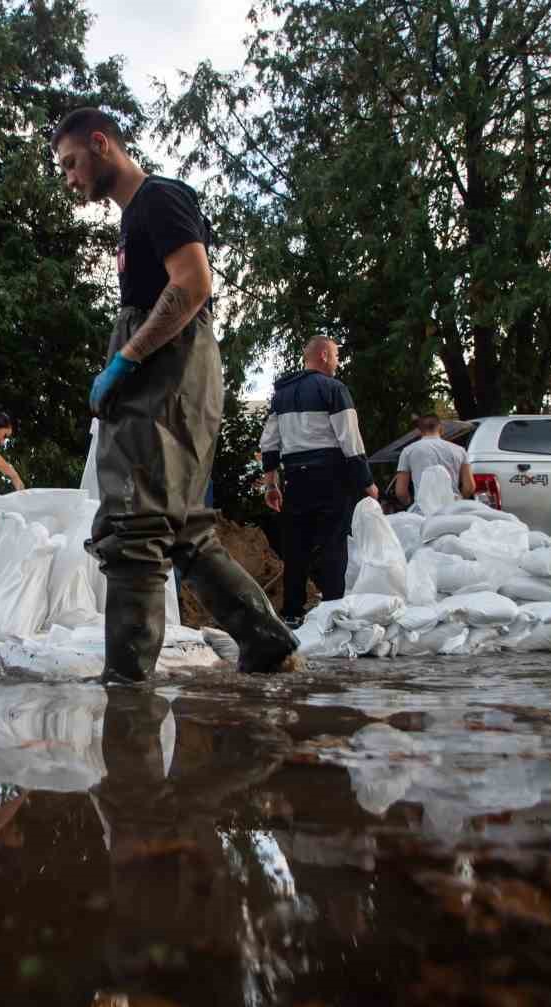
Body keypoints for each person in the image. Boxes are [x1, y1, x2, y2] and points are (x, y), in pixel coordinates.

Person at [52, 106, 298, 681]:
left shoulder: (158, 199)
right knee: (182, 525)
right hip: (167, 376)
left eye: (70, 162)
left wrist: (126, 359)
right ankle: (266, 642)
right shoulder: (134, 216)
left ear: (100, 143)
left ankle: (127, 688)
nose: (68, 177)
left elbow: (192, 284)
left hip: (166, 376)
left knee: (134, 524)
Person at [259, 335, 379, 625]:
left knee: (296, 546)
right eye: (336, 355)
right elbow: (350, 440)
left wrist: (271, 484)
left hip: (296, 479)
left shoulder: (281, 395)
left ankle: (291, 612)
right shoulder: (334, 389)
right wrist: (367, 483)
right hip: (330, 476)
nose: (337, 362)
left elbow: (269, 442)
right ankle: (333, 609)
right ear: (324, 355)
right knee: (332, 543)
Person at [392, 413, 474, 507]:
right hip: (452, 508)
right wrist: (459, 500)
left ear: (419, 431)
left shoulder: (408, 451)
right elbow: (469, 487)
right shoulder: (460, 450)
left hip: (422, 512)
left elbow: (400, 492)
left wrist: (411, 505)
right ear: (441, 428)